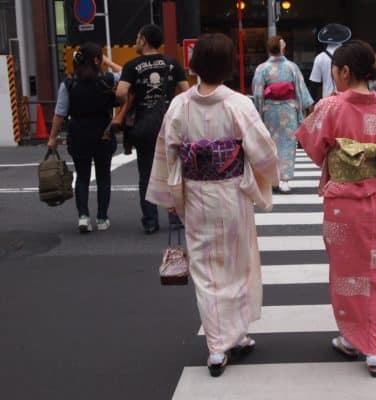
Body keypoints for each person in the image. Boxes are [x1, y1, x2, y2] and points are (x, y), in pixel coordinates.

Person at [146, 33, 279, 377]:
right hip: (231, 192)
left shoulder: (180, 105)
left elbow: (167, 152)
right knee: (236, 264)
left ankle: (219, 345)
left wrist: (171, 198)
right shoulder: (238, 104)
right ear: (230, 66)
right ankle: (231, 337)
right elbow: (263, 151)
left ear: (194, 66)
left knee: (206, 271)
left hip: (195, 195)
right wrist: (267, 175)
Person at [295, 40, 376, 377]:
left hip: (341, 206)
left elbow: (312, 145)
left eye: (335, 71)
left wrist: (340, 158)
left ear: (343, 71)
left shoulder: (329, 107)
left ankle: (354, 339)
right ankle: (373, 348)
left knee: (346, 275)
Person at [116, 24, 189, 234]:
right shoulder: (172, 63)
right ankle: (175, 217)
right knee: (174, 171)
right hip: (170, 124)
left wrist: (132, 95)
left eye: (138, 37)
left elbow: (121, 93)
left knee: (147, 174)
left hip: (144, 126)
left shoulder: (132, 65)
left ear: (144, 40)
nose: (136, 41)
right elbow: (185, 92)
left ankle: (150, 221)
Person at [47, 43, 122, 233]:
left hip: (78, 132)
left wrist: (52, 137)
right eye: (100, 58)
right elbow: (123, 72)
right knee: (104, 177)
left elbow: (60, 113)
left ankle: (83, 217)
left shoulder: (69, 83)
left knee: (82, 176)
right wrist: (108, 61)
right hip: (103, 132)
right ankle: (102, 218)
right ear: (96, 60)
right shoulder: (107, 80)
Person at [252, 35, 314, 193]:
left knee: (270, 144)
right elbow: (300, 89)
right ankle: (285, 179)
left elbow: (258, 93)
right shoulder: (292, 67)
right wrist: (307, 108)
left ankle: (274, 179)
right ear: (282, 48)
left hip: (269, 111)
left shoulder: (262, 68)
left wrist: (258, 112)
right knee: (287, 144)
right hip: (288, 110)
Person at [309, 23, 352, 99]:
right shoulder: (350, 54)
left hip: (327, 100)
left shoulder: (320, 58)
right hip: (347, 99)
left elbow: (314, 85)